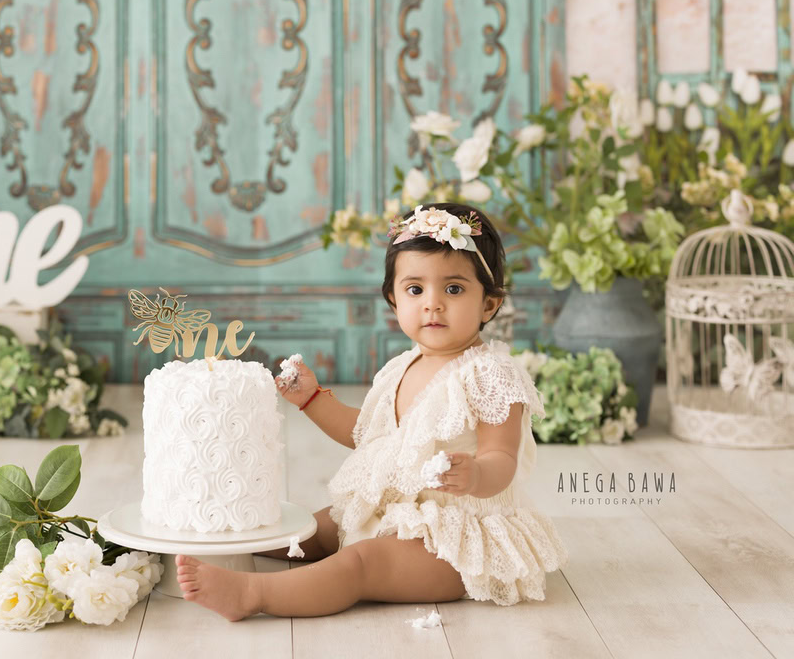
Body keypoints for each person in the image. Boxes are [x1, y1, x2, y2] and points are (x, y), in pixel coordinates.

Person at [175, 202, 568, 620]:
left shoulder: (490, 373)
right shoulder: (402, 367)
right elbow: (367, 436)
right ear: (394, 300)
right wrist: (312, 399)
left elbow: (502, 457)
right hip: (391, 512)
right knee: (310, 529)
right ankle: (229, 544)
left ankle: (253, 594)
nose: (433, 304)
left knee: (359, 564)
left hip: (453, 539)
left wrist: (476, 474)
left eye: (453, 289)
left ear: (488, 305)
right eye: (415, 290)